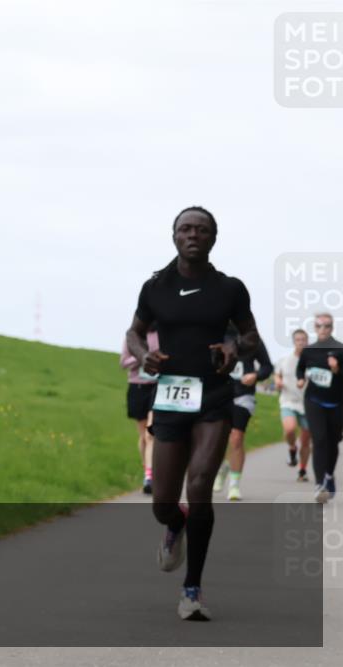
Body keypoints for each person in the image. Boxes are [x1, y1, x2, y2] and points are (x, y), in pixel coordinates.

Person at [126, 206, 259, 621]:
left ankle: (192, 589)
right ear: (174, 236)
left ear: (213, 238)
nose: (193, 235)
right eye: (186, 229)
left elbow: (251, 335)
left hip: (214, 397)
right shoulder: (155, 287)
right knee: (164, 502)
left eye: (202, 230)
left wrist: (235, 347)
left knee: (200, 483)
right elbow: (133, 331)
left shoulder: (230, 288)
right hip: (169, 398)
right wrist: (144, 354)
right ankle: (175, 522)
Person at [212, 327, 272, 501]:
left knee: (237, 437)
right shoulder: (215, 334)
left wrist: (256, 375)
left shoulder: (251, 339)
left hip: (243, 395)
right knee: (216, 438)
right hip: (217, 394)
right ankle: (223, 467)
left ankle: (234, 485)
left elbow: (267, 366)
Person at [296, 313, 342, 503]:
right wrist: (300, 378)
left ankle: (329, 475)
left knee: (333, 442)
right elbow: (301, 368)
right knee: (320, 439)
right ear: (314, 328)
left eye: (327, 326)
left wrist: (337, 370)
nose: (323, 329)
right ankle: (319, 484)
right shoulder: (309, 350)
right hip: (314, 400)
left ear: (332, 328)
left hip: (337, 402)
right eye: (319, 326)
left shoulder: (340, 349)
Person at [121, 325, 159, 494]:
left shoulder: (160, 333)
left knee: (151, 434)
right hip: (137, 387)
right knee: (143, 436)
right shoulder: (132, 336)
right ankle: (147, 471)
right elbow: (123, 362)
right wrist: (142, 357)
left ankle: (150, 477)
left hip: (157, 386)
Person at [275, 329, 312, 481]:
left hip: (307, 404)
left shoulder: (312, 361)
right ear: (294, 341)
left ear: (307, 341)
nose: (301, 342)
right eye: (298, 340)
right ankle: (292, 448)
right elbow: (278, 373)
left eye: (303, 339)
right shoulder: (284, 360)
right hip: (288, 401)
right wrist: (277, 381)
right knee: (289, 429)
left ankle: (302, 471)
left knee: (306, 440)